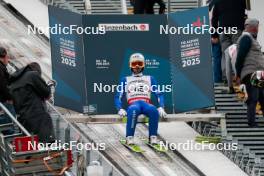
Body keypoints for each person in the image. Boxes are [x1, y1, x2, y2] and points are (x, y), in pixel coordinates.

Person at [114, 53, 167, 145]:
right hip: (134, 104)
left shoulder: (150, 78)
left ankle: (152, 137)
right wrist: (120, 108)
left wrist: (161, 106)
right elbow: (118, 96)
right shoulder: (125, 79)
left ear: (143, 65)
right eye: (134, 64)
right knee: (133, 110)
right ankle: (129, 137)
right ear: (130, 65)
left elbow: (159, 94)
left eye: (139, 63)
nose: (137, 66)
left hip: (146, 103)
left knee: (154, 110)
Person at [9, 62, 55, 142]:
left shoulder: (13, 82)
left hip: (23, 120)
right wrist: (50, 87)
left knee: (31, 147)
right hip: (39, 118)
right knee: (47, 145)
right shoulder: (33, 75)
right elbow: (47, 94)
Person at [235, 18, 264, 127]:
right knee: (254, 97)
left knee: (261, 97)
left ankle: (252, 122)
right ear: (250, 27)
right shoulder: (246, 38)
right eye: (256, 26)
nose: (257, 29)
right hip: (252, 72)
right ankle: (251, 122)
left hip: (258, 73)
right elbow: (240, 57)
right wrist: (238, 74)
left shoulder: (251, 38)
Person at [211, 0, 246, 81]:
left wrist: (214, 35)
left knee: (225, 54)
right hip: (237, 30)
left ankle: (226, 78)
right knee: (236, 53)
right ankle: (236, 76)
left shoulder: (218, 2)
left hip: (224, 30)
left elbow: (214, 19)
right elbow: (243, 15)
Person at [0, 47, 15, 132]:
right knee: (9, 123)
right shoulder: (1, 68)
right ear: (4, 57)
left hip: (3, 99)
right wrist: (10, 97)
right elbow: (2, 85)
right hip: (4, 100)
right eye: (7, 57)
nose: (8, 59)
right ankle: (10, 140)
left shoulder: (2, 67)